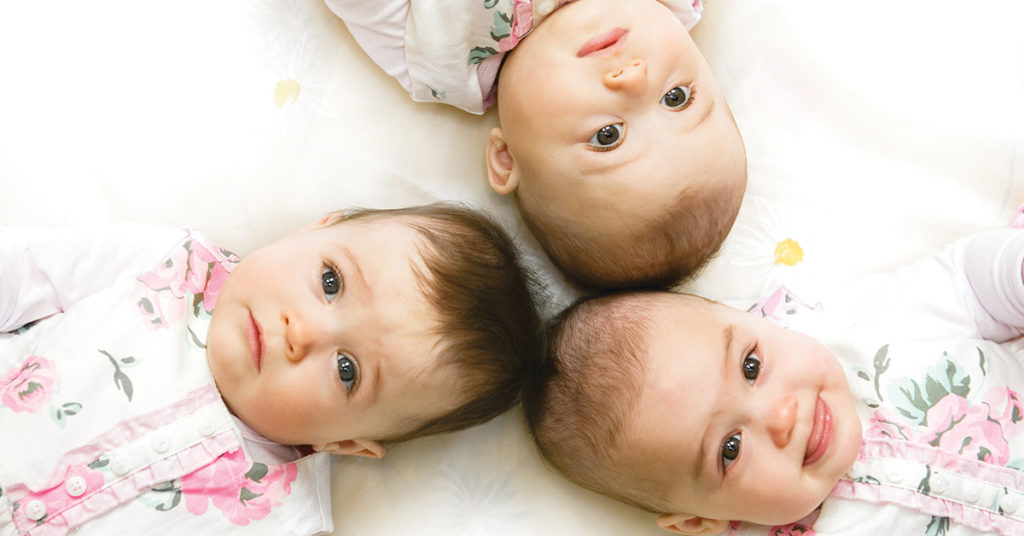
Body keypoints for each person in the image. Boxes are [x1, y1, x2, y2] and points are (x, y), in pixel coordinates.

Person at [0, 203, 545, 535]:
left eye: (348, 370)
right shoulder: (170, 267)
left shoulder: (284, 518)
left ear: (350, 443)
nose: (302, 331)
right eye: (331, 282)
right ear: (310, 230)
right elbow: (23, 273)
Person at [524, 227, 1024, 535]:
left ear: (752, 320)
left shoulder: (861, 325)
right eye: (731, 448)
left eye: (750, 367)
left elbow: (971, 287)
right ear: (700, 522)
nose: (783, 417)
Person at [325, 0, 748, 289]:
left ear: (507, 159)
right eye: (676, 97)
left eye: (608, 136)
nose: (635, 78)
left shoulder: (437, 60)